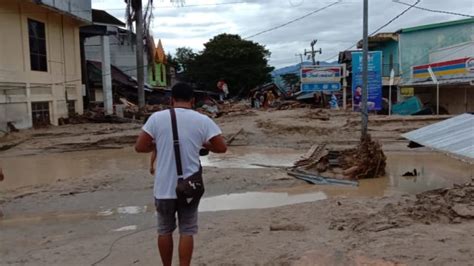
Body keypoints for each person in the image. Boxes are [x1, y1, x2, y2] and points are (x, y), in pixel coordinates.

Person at [135, 82, 227, 266]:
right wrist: (202, 144)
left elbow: (140, 147)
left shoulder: (156, 118)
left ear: (171, 100)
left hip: (163, 188)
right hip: (190, 187)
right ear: (193, 101)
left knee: (164, 231)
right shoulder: (202, 120)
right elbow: (221, 148)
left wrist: (158, 145)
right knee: (187, 231)